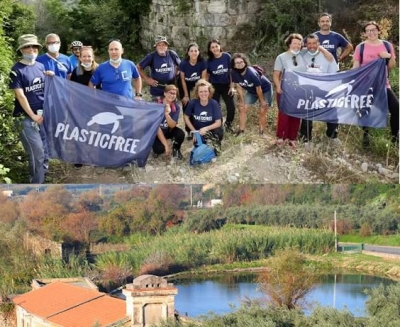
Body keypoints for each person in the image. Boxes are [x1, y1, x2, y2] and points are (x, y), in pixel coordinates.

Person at [9, 34, 54, 183]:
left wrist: (49, 76)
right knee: (37, 152)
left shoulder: (40, 66)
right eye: (27, 47)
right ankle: (35, 186)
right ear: (21, 49)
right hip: (26, 118)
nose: (31, 49)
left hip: (41, 116)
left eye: (34, 46)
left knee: (44, 149)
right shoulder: (17, 70)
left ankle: (42, 178)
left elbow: (42, 89)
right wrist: (32, 116)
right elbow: (21, 96)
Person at [352, 21, 398, 146]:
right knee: (365, 111)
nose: (371, 32)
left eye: (373, 30)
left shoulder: (387, 45)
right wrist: (348, 79)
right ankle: (366, 137)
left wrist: (388, 56)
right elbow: (356, 67)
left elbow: (392, 66)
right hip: (366, 85)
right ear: (365, 33)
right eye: (368, 30)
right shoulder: (360, 47)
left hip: (383, 84)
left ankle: (395, 139)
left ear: (378, 31)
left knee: (396, 108)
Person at [299, 33, 339, 144]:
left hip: (324, 89)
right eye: (309, 43)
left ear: (319, 44)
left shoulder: (328, 57)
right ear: (305, 44)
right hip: (307, 90)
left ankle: (332, 136)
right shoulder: (301, 55)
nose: (312, 46)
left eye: (314, 43)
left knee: (332, 110)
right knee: (307, 113)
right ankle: (305, 138)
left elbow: (334, 75)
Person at [273, 33, 307, 148]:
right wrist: (278, 87)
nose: (297, 46)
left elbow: (315, 48)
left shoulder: (303, 55)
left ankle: (292, 138)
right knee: (284, 114)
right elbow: (276, 74)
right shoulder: (281, 57)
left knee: (296, 114)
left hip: (300, 90)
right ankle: (281, 137)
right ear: (289, 43)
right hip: (286, 90)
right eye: (294, 43)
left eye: (299, 43)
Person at [230, 53, 273, 136]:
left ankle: (261, 132)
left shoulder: (251, 73)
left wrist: (262, 102)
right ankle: (241, 131)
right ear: (234, 65)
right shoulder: (234, 73)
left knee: (262, 110)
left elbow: (259, 89)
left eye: (241, 61)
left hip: (264, 89)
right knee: (243, 109)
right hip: (252, 90)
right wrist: (241, 101)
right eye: (237, 63)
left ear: (245, 62)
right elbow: (238, 86)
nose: (240, 64)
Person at [184, 79, 223, 155]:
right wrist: (195, 132)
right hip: (198, 131)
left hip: (211, 130)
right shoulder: (193, 103)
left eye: (205, 91)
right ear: (197, 93)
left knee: (217, 138)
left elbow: (218, 123)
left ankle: (215, 145)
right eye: (200, 92)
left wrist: (206, 128)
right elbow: (186, 117)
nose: (203, 94)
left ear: (209, 92)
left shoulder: (214, 103)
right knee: (198, 147)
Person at [137, 36, 181, 102]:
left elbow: (181, 65)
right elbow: (138, 67)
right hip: (157, 90)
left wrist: (177, 71)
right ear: (156, 47)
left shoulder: (172, 54)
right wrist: (147, 79)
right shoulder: (151, 56)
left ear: (167, 46)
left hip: (171, 89)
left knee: (171, 110)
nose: (161, 47)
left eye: (163, 45)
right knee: (158, 110)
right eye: (159, 45)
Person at [206, 38, 235, 133]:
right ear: (210, 49)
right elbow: (207, 75)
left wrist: (232, 86)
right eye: (212, 47)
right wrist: (207, 88)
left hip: (226, 85)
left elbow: (231, 72)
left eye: (216, 46)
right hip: (215, 86)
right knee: (215, 107)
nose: (215, 49)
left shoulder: (227, 56)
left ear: (220, 46)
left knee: (231, 106)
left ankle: (228, 125)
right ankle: (218, 125)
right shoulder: (209, 61)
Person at [179, 42, 207, 137]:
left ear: (198, 52)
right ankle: (189, 130)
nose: (194, 53)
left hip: (198, 84)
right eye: (191, 51)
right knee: (186, 104)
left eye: (196, 50)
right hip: (185, 84)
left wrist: (199, 94)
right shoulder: (183, 63)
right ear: (188, 52)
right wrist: (186, 95)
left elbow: (203, 80)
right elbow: (182, 79)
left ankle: (199, 127)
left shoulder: (202, 62)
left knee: (198, 103)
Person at [152, 85, 185, 160]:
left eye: (174, 94)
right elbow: (156, 127)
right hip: (156, 132)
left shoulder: (176, 107)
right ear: (165, 93)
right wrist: (166, 145)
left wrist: (167, 114)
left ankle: (176, 149)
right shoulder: (156, 104)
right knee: (159, 149)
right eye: (170, 93)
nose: (172, 95)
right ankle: (157, 146)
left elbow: (173, 125)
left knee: (180, 134)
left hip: (168, 130)